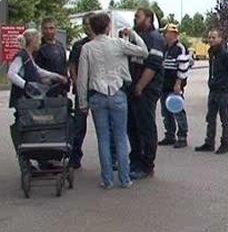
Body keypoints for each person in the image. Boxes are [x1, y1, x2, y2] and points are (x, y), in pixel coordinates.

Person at [77, 13, 148, 189]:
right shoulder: (118, 43)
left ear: (92, 28)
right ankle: (124, 179)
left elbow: (81, 78)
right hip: (117, 92)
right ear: (108, 27)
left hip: (97, 95)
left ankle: (107, 179)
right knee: (120, 137)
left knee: (103, 138)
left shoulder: (87, 48)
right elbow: (143, 51)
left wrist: (82, 103)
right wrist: (132, 34)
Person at [8, 29, 68, 168]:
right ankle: (24, 160)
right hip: (22, 98)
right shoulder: (21, 55)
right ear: (32, 41)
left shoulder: (28, 55)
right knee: (23, 127)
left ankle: (38, 158)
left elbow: (38, 71)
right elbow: (11, 74)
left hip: (29, 98)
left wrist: (56, 76)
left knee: (32, 126)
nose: (40, 41)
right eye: (38, 39)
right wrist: (26, 85)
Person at [128, 8, 165, 180]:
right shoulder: (136, 37)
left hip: (146, 90)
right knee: (133, 127)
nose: (135, 19)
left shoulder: (155, 38)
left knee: (145, 127)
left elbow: (153, 66)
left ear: (149, 19)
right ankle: (135, 160)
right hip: (133, 89)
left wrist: (140, 86)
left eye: (138, 16)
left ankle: (147, 164)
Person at [195, 29, 228, 154]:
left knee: (224, 118)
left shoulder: (225, 54)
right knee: (210, 117)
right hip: (213, 90)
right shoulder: (212, 53)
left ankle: (224, 144)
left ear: (220, 39)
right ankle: (209, 142)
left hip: (223, 91)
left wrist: (224, 83)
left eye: (214, 37)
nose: (211, 40)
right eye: (210, 38)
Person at [67, 13, 94, 169]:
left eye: (89, 24)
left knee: (104, 126)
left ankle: (113, 158)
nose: (86, 27)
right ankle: (75, 156)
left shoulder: (103, 43)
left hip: (97, 89)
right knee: (79, 125)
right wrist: (77, 83)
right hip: (82, 90)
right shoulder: (78, 45)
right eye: (84, 24)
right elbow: (72, 65)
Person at [158, 24, 190, 148]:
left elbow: (183, 68)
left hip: (175, 85)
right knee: (165, 111)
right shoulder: (165, 48)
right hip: (164, 84)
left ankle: (182, 136)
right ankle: (169, 135)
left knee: (177, 110)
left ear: (172, 34)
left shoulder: (180, 48)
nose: (163, 35)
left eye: (165, 33)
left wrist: (178, 83)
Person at [35, 17, 69, 97]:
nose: (48, 31)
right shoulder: (37, 47)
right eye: (46, 28)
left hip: (61, 88)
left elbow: (64, 66)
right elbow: (35, 69)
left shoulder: (60, 46)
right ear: (42, 29)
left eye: (51, 28)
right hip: (45, 89)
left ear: (56, 29)